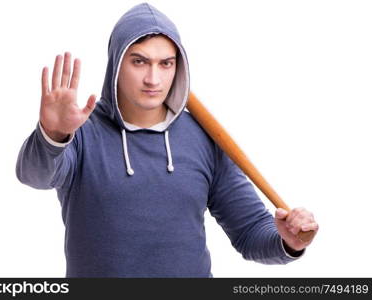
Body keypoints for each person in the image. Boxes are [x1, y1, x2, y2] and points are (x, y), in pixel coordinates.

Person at [16, 2, 318, 277]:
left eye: (165, 63)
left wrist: (288, 242)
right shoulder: (81, 132)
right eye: (139, 62)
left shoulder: (204, 137)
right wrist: (53, 135)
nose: (153, 79)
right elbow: (35, 175)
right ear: (116, 63)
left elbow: (251, 231)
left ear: (179, 66)